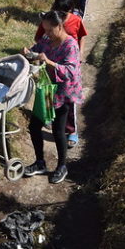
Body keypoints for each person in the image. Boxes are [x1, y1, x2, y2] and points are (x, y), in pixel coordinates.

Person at [22, 10, 83, 184]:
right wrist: (28, 52)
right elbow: (37, 49)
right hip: (47, 90)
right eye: (45, 30)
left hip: (63, 93)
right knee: (34, 126)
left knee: (58, 130)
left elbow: (71, 71)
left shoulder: (70, 45)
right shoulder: (48, 40)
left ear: (59, 26)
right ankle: (40, 162)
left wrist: (49, 62)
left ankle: (62, 166)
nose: (46, 34)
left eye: (49, 30)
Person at [34, 0, 87, 148]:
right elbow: (39, 37)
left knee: (68, 104)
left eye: (64, 11)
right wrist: (37, 49)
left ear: (71, 9)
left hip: (67, 64)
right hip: (50, 68)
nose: (60, 13)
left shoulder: (76, 22)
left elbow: (82, 36)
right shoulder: (50, 20)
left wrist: (81, 52)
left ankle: (71, 131)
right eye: (58, 8)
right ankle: (50, 116)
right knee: (49, 93)